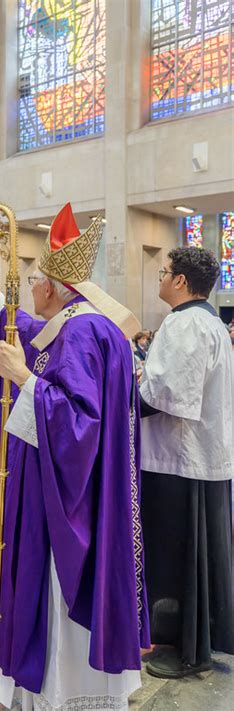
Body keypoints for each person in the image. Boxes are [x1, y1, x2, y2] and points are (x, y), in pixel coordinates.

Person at [0, 203, 150, 711]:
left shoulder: (83, 332)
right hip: (83, 494)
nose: (30, 289)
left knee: (58, 610)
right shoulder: (85, 324)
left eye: (32, 280)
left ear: (52, 286)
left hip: (71, 506)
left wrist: (24, 380)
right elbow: (28, 331)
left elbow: (80, 425)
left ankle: (66, 695)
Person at [139, 246, 233, 679]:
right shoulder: (208, 321)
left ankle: (185, 649)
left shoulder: (185, 324)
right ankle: (193, 641)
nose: (160, 278)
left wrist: (120, 394)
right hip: (197, 458)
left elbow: (168, 396)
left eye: (163, 272)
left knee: (180, 559)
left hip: (181, 461)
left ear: (179, 281)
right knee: (194, 558)